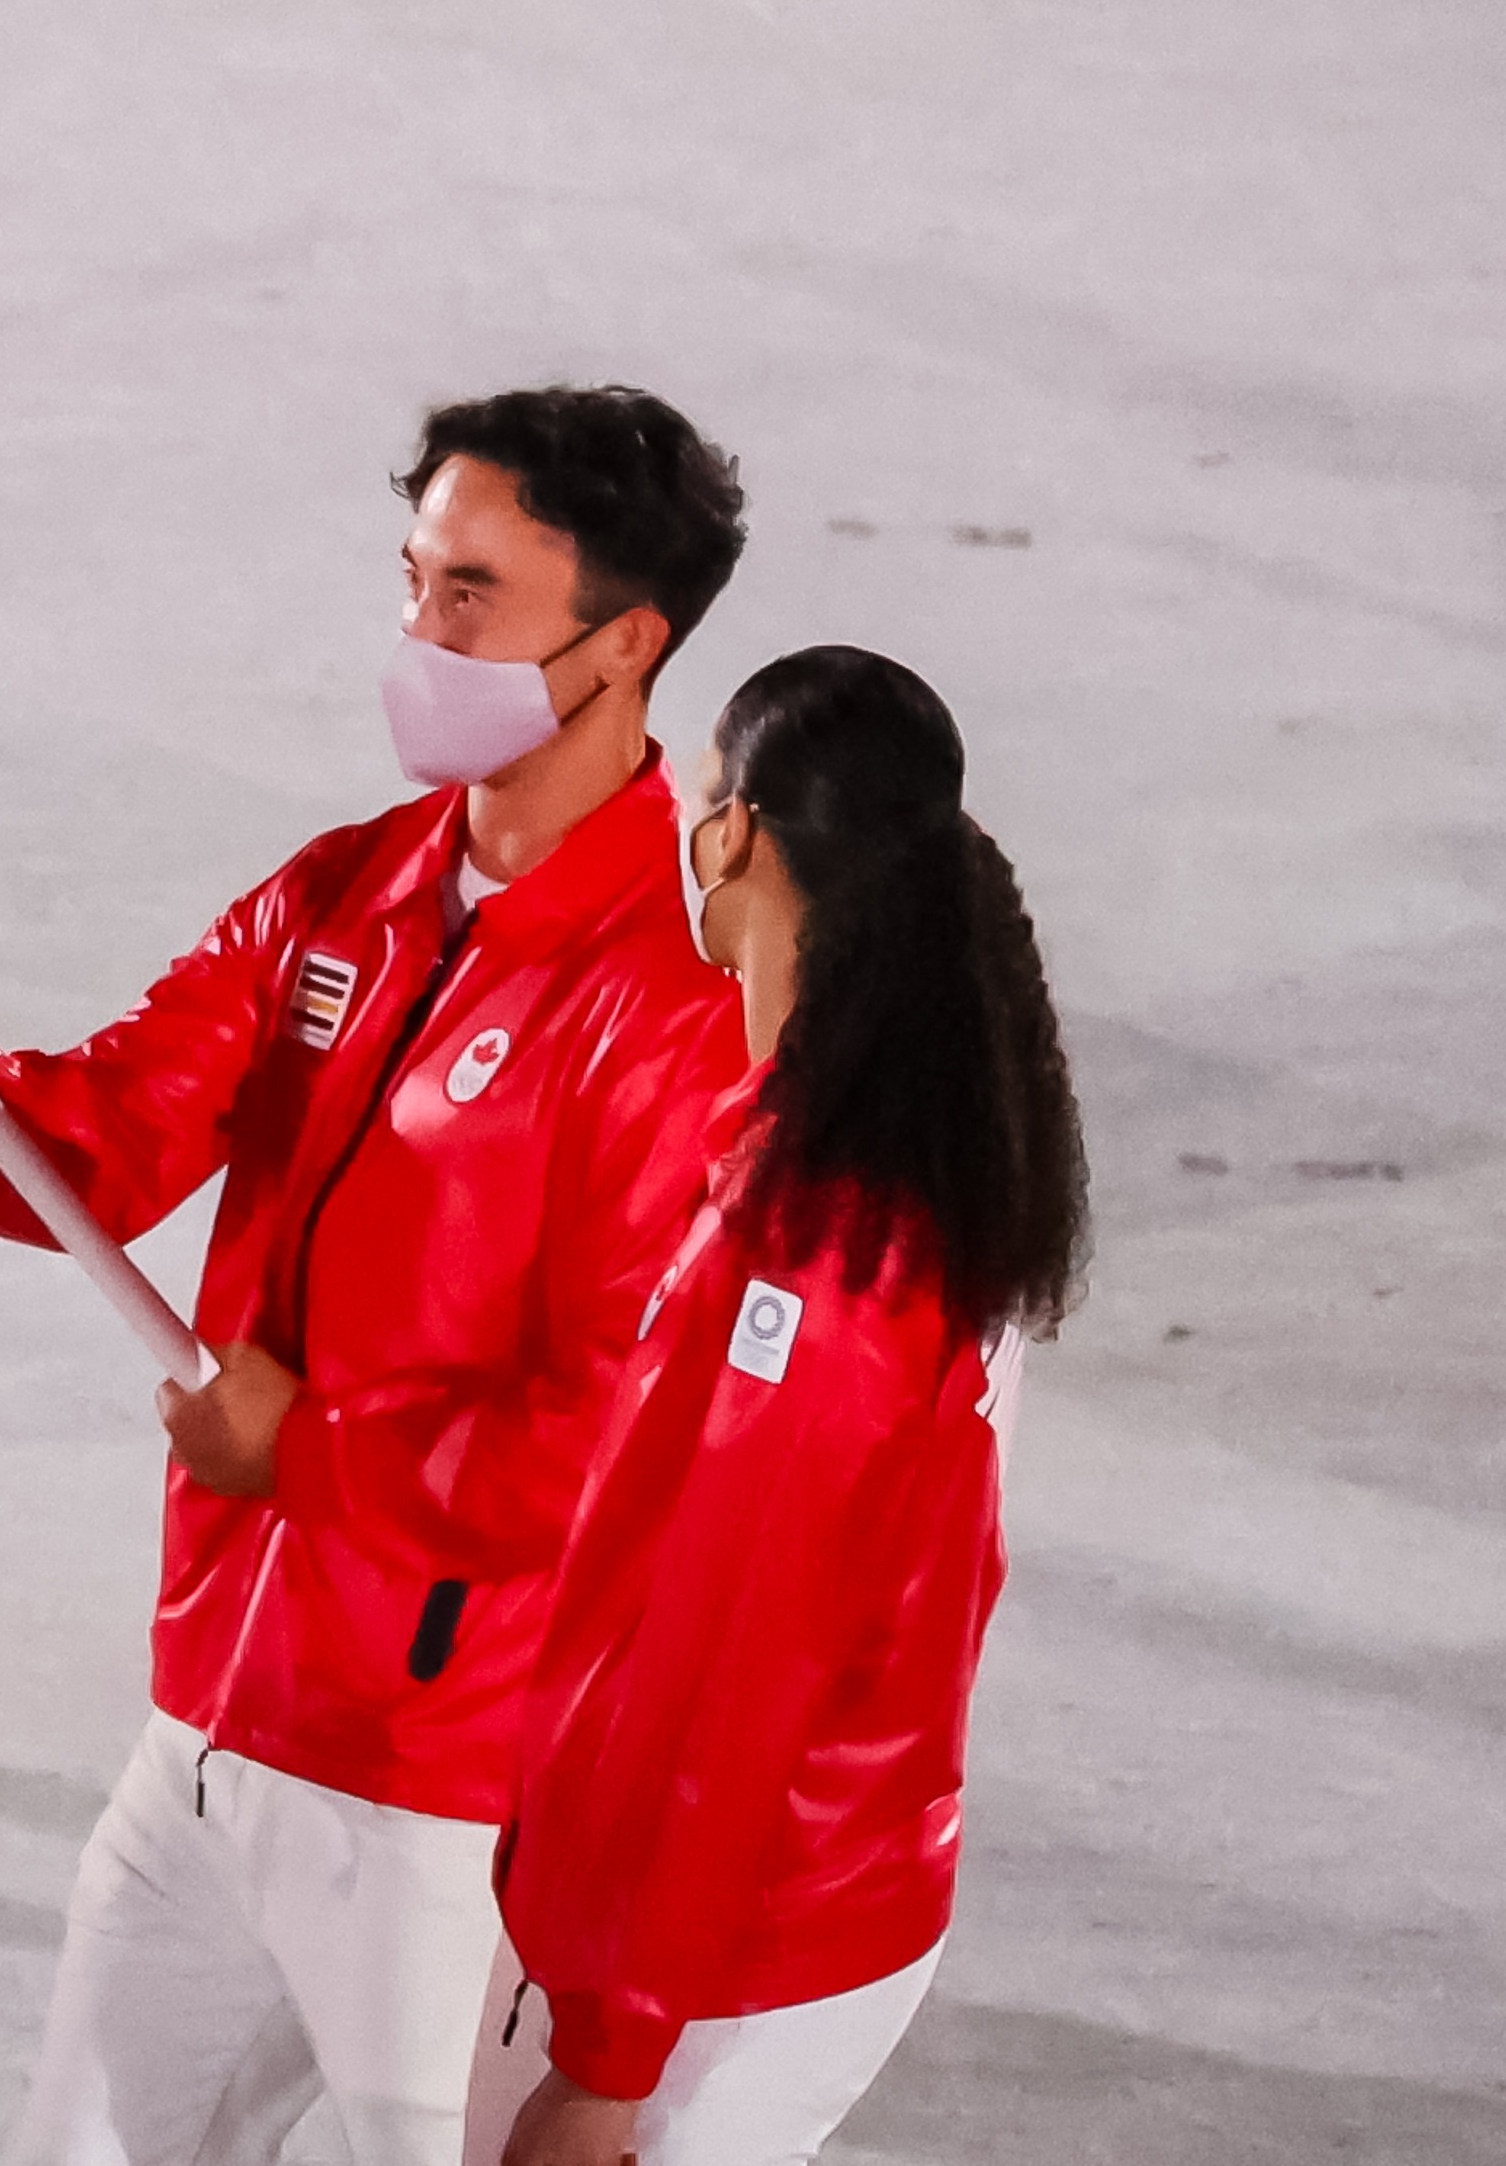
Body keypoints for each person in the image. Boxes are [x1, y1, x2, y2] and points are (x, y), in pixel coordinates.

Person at [0, 386, 753, 2166]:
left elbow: (616, 1449)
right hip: (209, 1733)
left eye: (471, 595)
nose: (420, 634)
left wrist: (312, 1457)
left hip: (444, 1800)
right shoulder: (340, 894)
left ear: (624, 643)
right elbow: (100, 1147)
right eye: (411, 580)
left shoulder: (675, 1014)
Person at [465, 648, 1087, 2166]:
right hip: (705, 1913)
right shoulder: (843, 1147)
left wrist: (609, 2058)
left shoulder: (822, 1275)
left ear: (735, 833)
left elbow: (730, 1675)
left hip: (723, 1956)